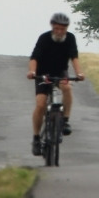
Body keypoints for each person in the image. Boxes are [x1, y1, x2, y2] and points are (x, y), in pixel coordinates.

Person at [27, 12, 85, 156]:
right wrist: (32, 72)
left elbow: (74, 57)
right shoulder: (44, 38)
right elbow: (34, 57)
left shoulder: (70, 38)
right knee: (40, 105)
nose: (60, 32)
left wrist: (79, 73)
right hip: (43, 73)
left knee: (67, 87)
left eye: (63, 29)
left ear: (67, 29)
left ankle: (65, 120)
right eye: (57, 28)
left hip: (60, 72)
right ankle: (36, 138)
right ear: (52, 27)